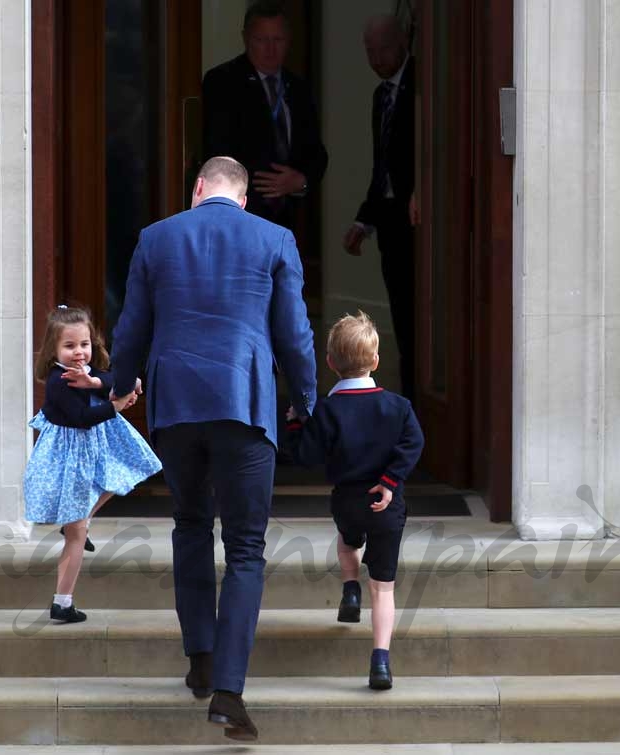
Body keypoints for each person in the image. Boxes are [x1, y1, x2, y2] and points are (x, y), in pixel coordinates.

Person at [110, 156, 316, 741]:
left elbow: (131, 328)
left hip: (176, 404)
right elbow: (294, 331)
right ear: (243, 199)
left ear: (197, 189)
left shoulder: (156, 238)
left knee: (191, 524)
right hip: (246, 402)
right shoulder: (275, 238)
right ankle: (229, 691)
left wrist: (122, 385)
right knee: (246, 547)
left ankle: (199, 656)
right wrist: (306, 397)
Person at [286, 311, 424, 690]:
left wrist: (297, 422)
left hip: (347, 501)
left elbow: (306, 455)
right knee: (384, 587)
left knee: (348, 542)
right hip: (386, 505)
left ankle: (349, 586)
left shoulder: (328, 411)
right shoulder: (398, 407)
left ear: (330, 363)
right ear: (376, 360)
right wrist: (390, 481)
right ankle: (380, 661)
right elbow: (413, 444)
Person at [22, 305, 161, 624]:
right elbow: (83, 419)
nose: (79, 353)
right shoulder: (58, 381)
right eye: (69, 347)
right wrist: (116, 405)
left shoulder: (84, 370)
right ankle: (62, 603)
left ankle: (79, 520)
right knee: (77, 533)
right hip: (70, 458)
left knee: (120, 477)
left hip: (89, 452)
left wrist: (111, 384)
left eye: (84, 345)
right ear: (54, 349)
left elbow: (106, 377)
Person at [202, 0, 328, 230]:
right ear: (246, 38)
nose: (270, 49)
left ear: (289, 40)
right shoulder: (223, 81)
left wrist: (301, 182)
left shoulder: (298, 88)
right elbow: (217, 150)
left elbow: (316, 152)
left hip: (290, 218)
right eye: (261, 40)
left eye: (277, 40)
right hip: (240, 215)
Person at [343, 15, 417, 401]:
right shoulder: (380, 95)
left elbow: (438, 146)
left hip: (420, 219)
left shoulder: (424, 83)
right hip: (390, 221)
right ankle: (412, 395)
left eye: (384, 48)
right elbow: (383, 165)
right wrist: (364, 219)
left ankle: (421, 400)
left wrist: (425, 189)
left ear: (403, 41)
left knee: (421, 316)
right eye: (369, 51)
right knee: (402, 312)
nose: (376, 57)